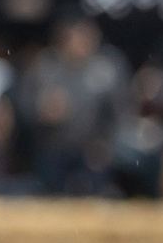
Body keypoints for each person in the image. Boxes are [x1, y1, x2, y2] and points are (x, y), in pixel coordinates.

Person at [18, 17, 130, 196]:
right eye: (76, 37)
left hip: (93, 147)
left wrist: (106, 142)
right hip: (53, 145)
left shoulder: (106, 69)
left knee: (97, 176)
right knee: (48, 182)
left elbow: (121, 111)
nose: (81, 44)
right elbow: (24, 105)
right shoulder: (46, 66)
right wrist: (42, 110)